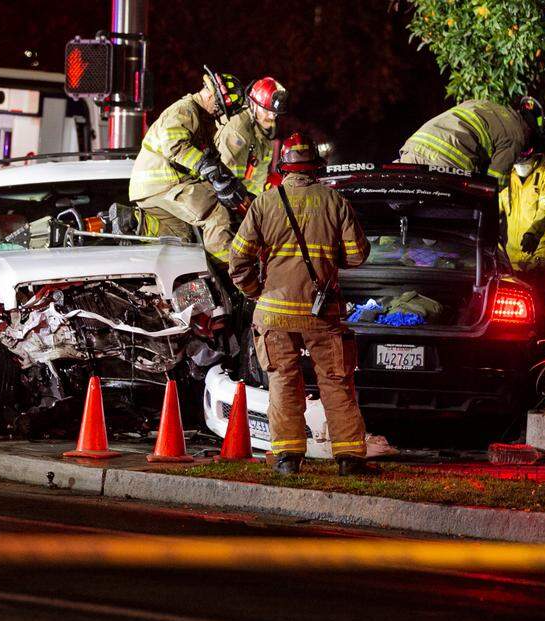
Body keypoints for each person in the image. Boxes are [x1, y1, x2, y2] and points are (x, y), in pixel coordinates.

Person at [229, 132, 372, 476]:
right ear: (317, 167)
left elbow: (238, 260)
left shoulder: (265, 203)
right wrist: (329, 258)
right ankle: (350, 459)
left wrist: (255, 291)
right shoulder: (335, 201)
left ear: (284, 167)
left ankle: (288, 459)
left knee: (283, 382)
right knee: (336, 382)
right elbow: (356, 256)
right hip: (321, 313)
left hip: (274, 314)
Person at [129, 66, 246, 263]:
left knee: (183, 238)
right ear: (210, 96)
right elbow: (174, 144)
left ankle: (136, 223)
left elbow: (213, 160)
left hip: (150, 190)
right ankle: (229, 270)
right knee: (216, 213)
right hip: (165, 183)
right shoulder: (185, 109)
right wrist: (202, 165)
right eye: (220, 108)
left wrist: (235, 185)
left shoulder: (203, 119)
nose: (220, 115)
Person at [398, 97, 545, 184]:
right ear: (530, 132)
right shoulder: (517, 135)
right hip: (447, 162)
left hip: (414, 146)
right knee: (443, 226)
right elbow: (493, 183)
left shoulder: (484, 104)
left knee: (397, 204)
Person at [499, 146, 545, 333]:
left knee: (541, 312)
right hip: (513, 262)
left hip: (540, 257)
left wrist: (533, 233)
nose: (521, 165)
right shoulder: (508, 177)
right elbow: (495, 204)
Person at [214, 76, 288, 198]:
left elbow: (258, 177)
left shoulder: (265, 132)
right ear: (253, 104)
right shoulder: (238, 128)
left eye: (274, 113)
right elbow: (227, 179)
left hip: (245, 195)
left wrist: (260, 199)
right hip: (224, 195)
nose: (272, 116)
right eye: (266, 111)